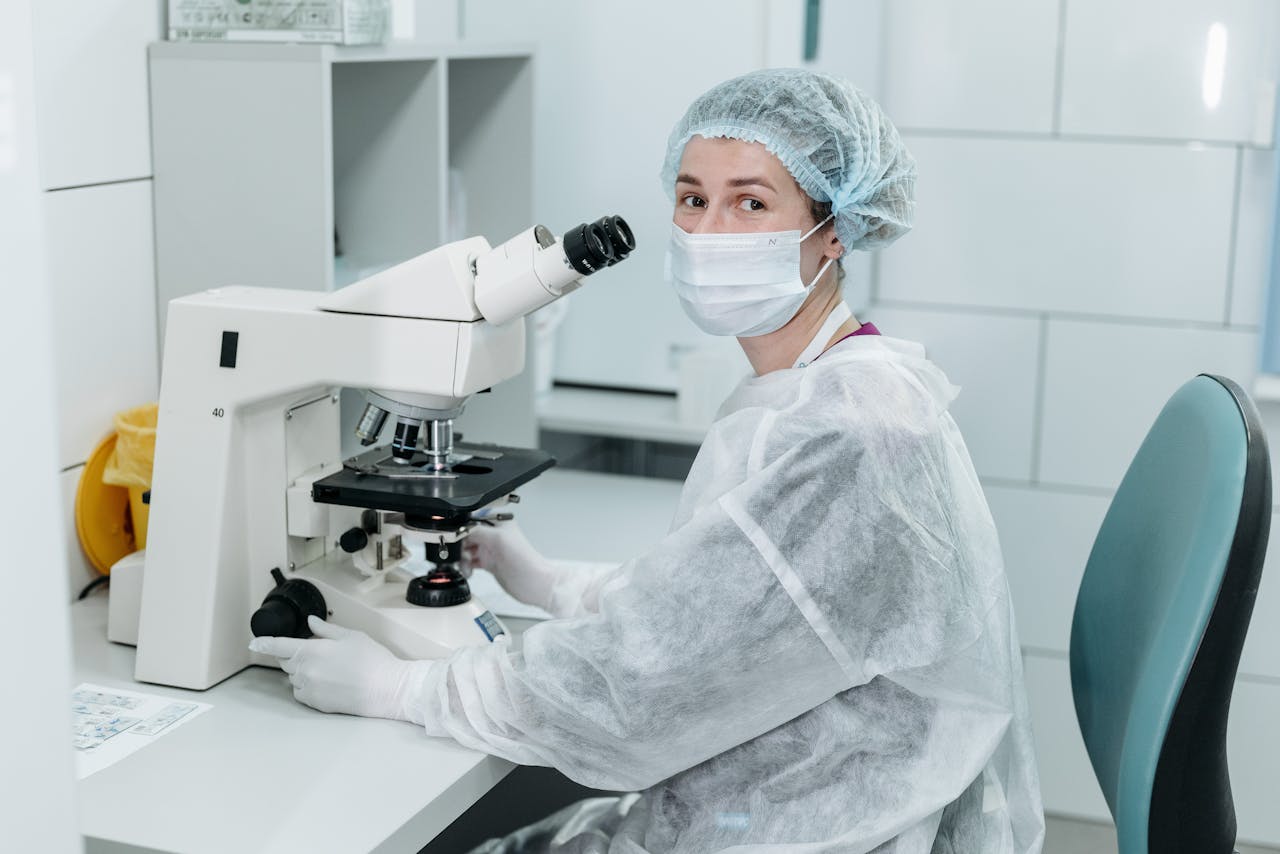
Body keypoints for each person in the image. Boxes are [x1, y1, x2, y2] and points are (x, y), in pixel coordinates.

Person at [251, 68, 1046, 853]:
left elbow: (647, 681)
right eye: (693, 199)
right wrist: (549, 581)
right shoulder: (821, 388)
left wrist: (405, 689)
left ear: (835, 230)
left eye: (752, 203)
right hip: (786, 794)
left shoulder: (850, 432)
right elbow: (735, 609)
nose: (707, 231)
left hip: (822, 825)